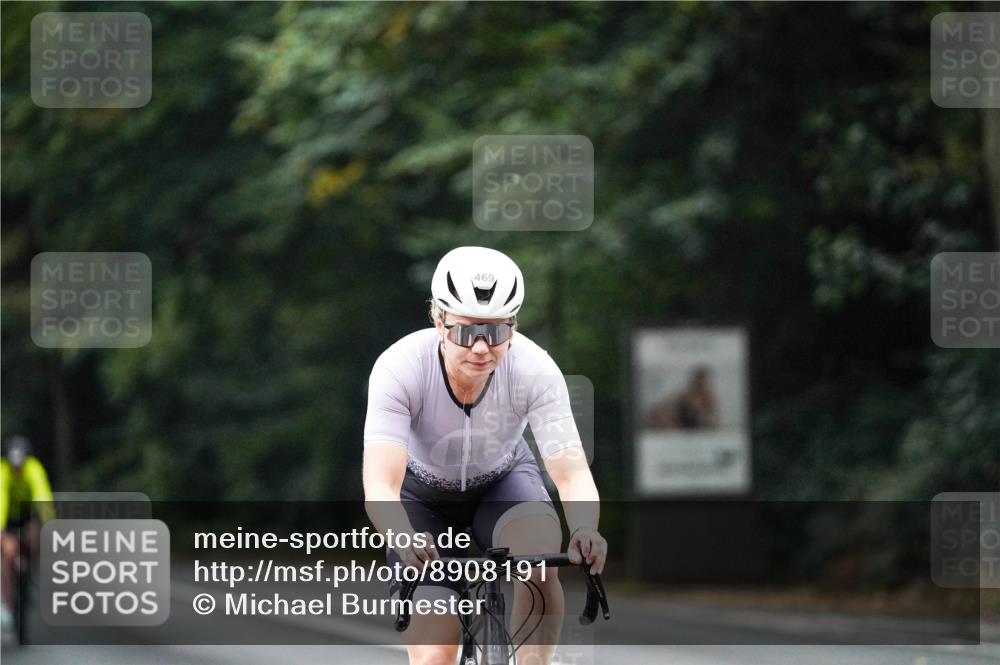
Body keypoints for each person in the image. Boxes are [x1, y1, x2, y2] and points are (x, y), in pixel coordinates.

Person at [363, 246, 607, 665]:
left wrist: (585, 527)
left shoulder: (534, 368)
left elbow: (570, 472)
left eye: (495, 333)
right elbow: (381, 482)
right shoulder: (399, 367)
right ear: (439, 322)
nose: (480, 348)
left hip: (502, 484)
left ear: (513, 328)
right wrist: (402, 535)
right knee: (434, 655)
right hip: (422, 501)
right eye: (465, 332)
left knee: (538, 562)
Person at [1, 435, 55, 630]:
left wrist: (49, 521)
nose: (17, 469)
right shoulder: (2, 471)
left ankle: (31, 577)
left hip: (27, 516)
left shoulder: (33, 468)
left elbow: (42, 494)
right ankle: (7, 601)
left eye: (20, 465)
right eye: (13, 465)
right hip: (7, 518)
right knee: (8, 553)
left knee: (36, 539)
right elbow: (1, 498)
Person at [647, 365, 720, 431]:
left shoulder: (708, 398)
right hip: (681, 428)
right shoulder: (684, 396)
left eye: (703, 381)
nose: (701, 383)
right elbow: (660, 408)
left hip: (698, 430)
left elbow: (713, 419)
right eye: (699, 381)